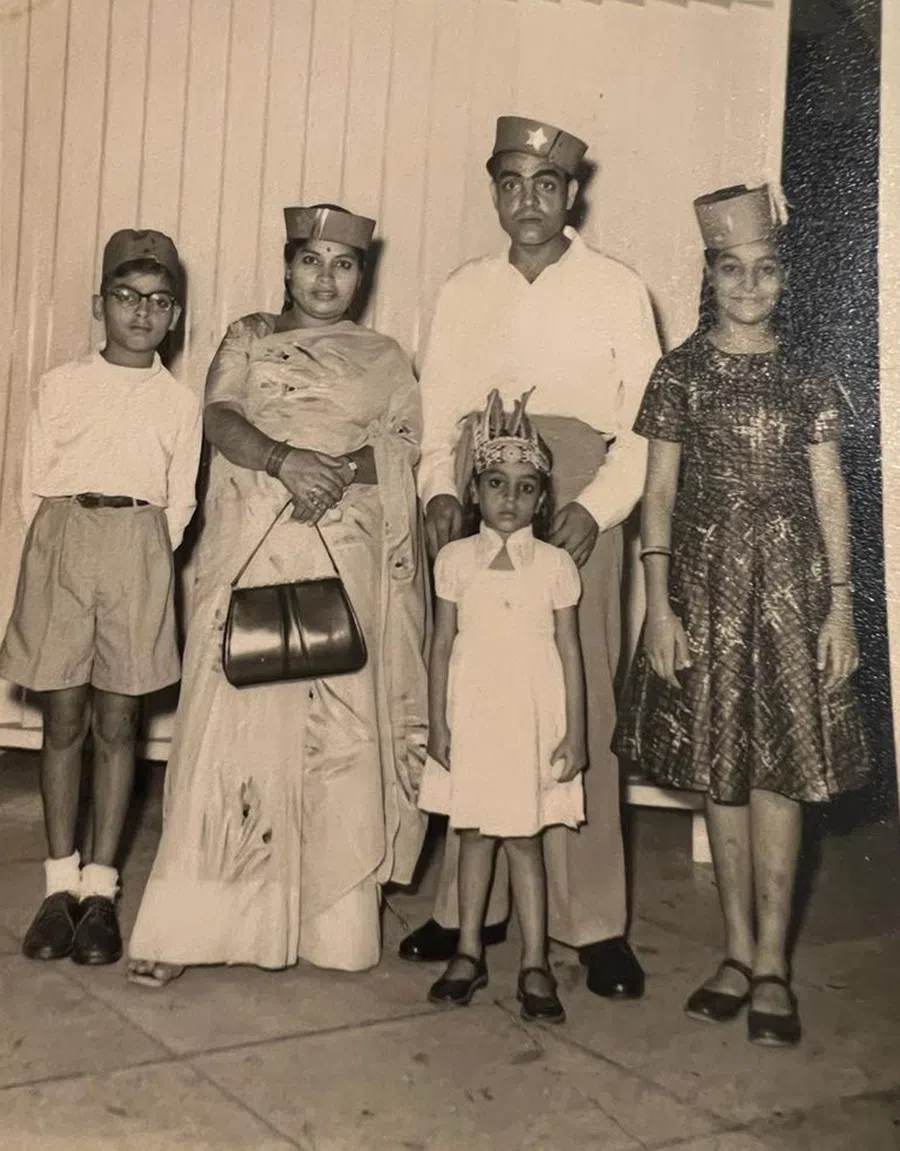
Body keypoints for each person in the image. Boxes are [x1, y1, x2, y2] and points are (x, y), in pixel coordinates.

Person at [127, 204, 428, 987]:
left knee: (337, 738)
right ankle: (189, 928)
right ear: (287, 265)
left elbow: (401, 448)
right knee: (228, 733)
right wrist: (284, 457)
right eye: (311, 261)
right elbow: (220, 416)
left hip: (345, 555)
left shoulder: (386, 357)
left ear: (363, 275)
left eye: (344, 264)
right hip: (257, 544)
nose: (326, 278)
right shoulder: (249, 337)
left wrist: (338, 471)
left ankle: (330, 926)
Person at [401, 116, 660, 1000]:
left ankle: (594, 921)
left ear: (572, 193)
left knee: (574, 691)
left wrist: (595, 508)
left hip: (580, 491)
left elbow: (645, 429)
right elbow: (437, 414)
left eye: (545, 185)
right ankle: (472, 910)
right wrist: (441, 487)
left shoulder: (616, 288)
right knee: (474, 686)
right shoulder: (466, 288)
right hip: (485, 492)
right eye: (510, 183)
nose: (528, 202)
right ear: (495, 192)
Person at [614, 185, 870, 1047]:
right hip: (706, 588)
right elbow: (657, 493)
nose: (750, 287)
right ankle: (731, 951)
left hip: (792, 593)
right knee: (719, 766)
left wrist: (841, 606)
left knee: (778, 772)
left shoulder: (809, 375)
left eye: (766, 271)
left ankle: (772, 964)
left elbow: (832, 495)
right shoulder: (678, 371)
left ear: (785, 280)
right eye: (733, 270)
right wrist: (658, 604)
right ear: (710, 276)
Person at [0, 229, 202, 966]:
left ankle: (102, 892)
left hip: (139, 544)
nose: (141, 313)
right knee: (64, 719)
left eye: (157, 301)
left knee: (120, 723)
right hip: (63, 537)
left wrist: (139, 554)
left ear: (174, 315)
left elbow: (180, 506)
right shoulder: (61, 384)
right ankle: (58, 887)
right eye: (126, 297)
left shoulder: (181, 403)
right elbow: (30, 484)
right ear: (99, 304)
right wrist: (66, 542)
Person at [418, 389, 587, 1023]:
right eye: (496, 483)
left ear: (542, 499)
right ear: (475, 492)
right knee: (472, 836)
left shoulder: (556, 565)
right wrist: (438, 722)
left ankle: (535, 962)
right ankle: (467, 950)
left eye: (524, 487)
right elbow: (439, 645)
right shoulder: (454, 561)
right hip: (473, 715)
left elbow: (570, 654)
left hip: (529, 718)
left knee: (523, 839)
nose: (509, 499)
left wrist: (575, 733)